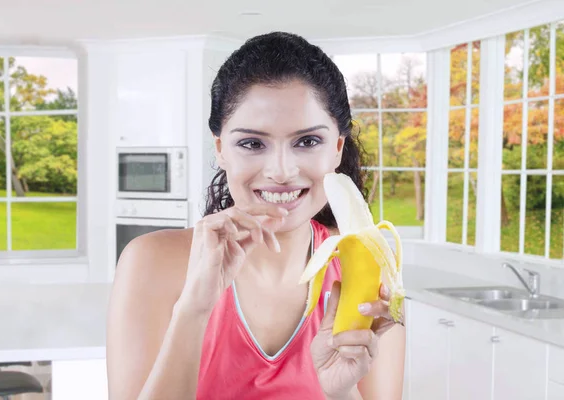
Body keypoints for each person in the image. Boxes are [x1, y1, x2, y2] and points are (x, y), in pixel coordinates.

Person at [107, 31, 406, 400]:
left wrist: (338, 392)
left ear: (337, 149)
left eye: (307, 141)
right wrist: (193, 310)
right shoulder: (153, 261)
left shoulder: (365, 266)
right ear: (221, 149)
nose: (281, 171)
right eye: (252, 143)